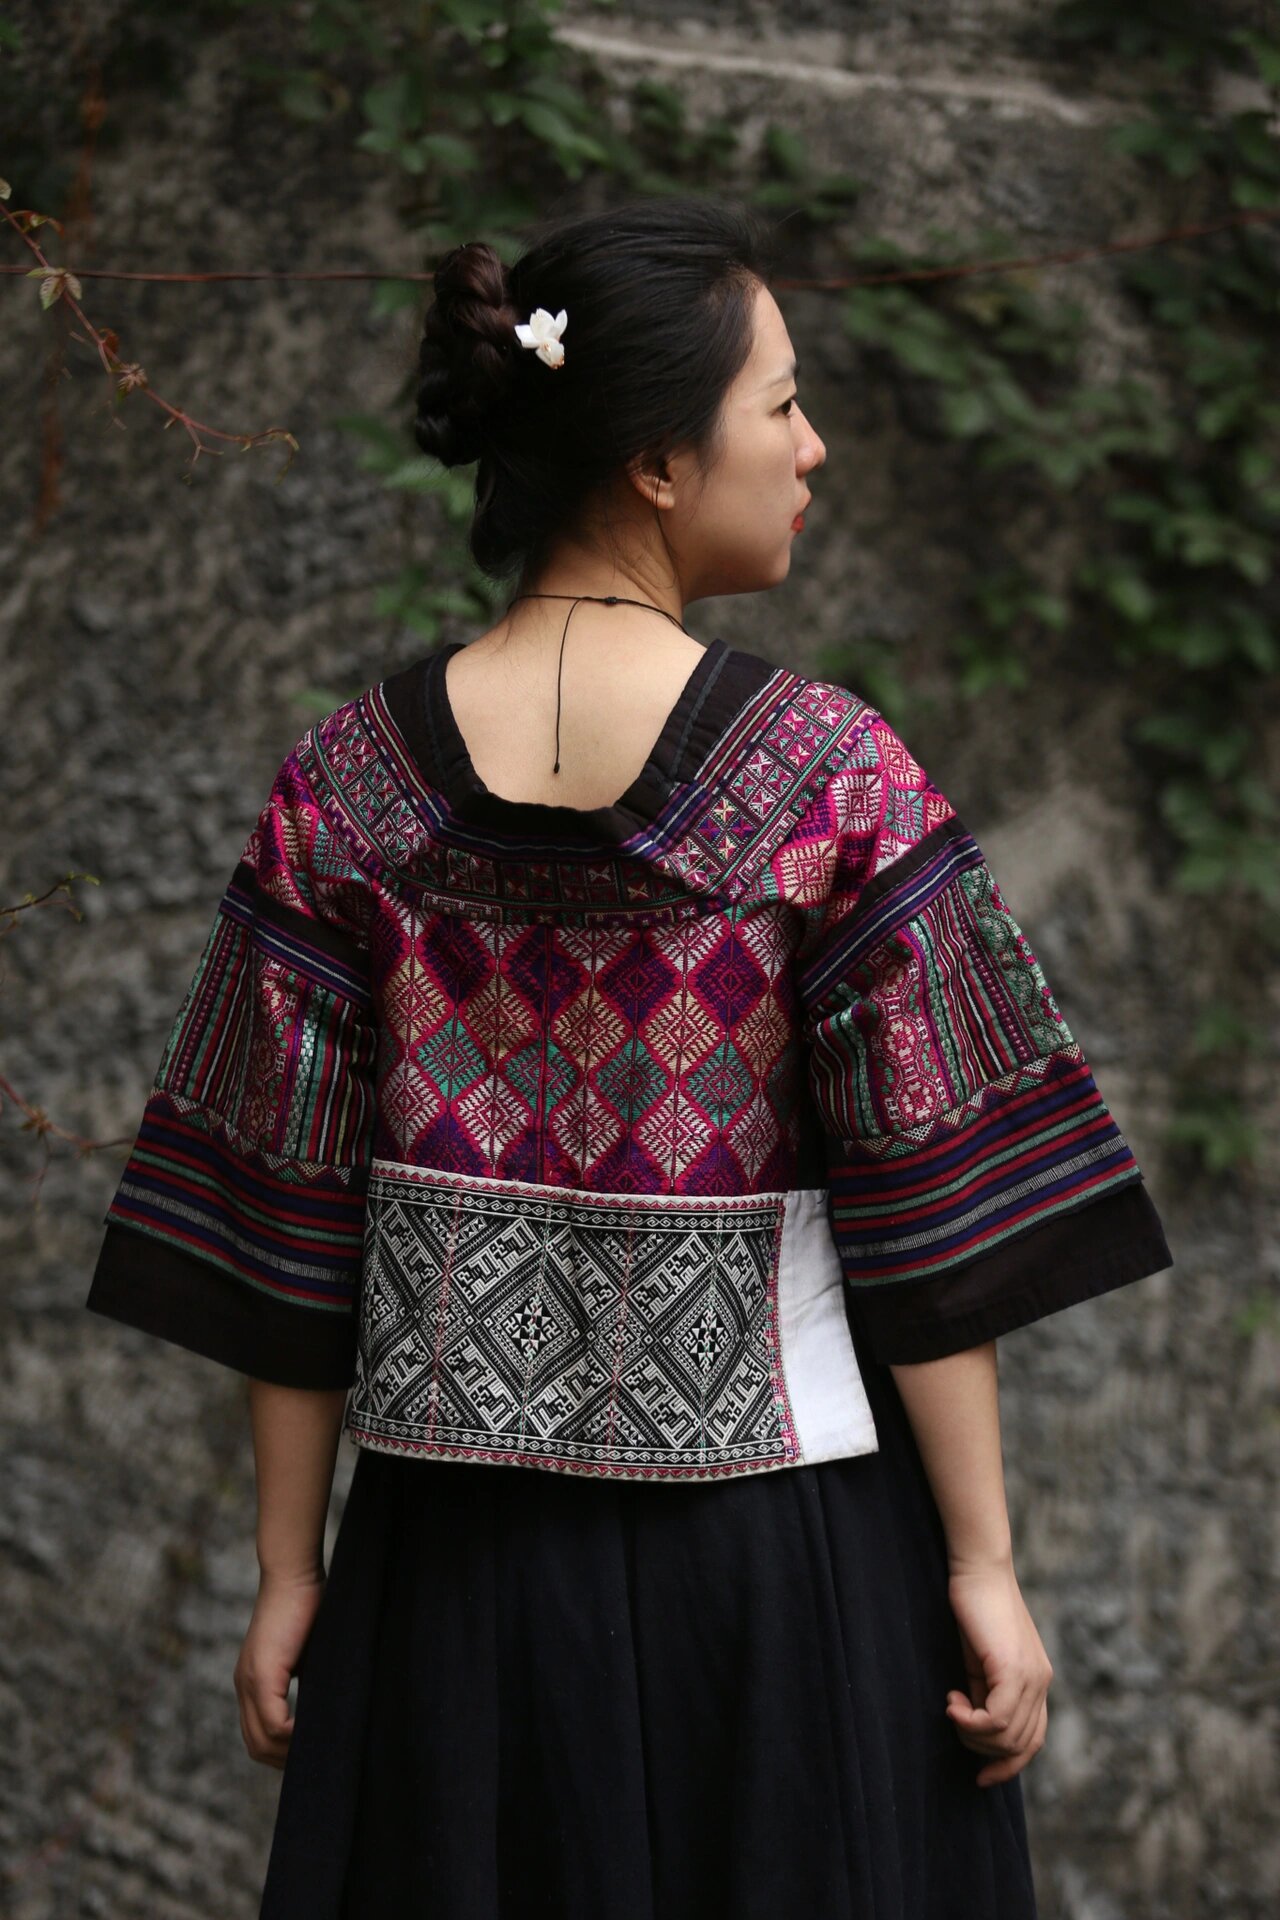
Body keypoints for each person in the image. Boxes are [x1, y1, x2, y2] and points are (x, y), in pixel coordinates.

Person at [86, 194, 1173, 1919]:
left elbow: (281, 1211)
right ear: (659, 463)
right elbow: (927, 1200)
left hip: (446, 1581)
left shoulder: (344, 784)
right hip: (783, 1571)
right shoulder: (829, 773)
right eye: (782, 405)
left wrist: (291, 1569)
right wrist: (983, 1560)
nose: (812, 447)